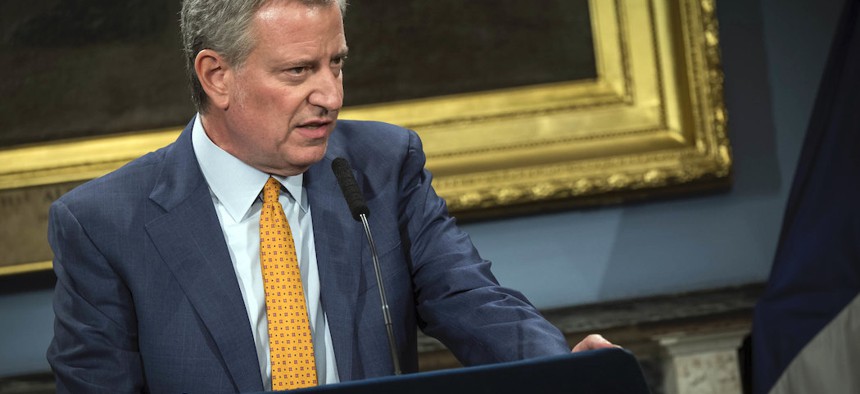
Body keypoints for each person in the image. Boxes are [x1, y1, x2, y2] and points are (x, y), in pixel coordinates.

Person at [46, 0, 616, 392]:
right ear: (217, 76)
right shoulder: (103, 224)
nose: (331, 94)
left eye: (336, 63)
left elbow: (469, 296)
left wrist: (562, 373)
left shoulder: (382, 165)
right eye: (299, 71)